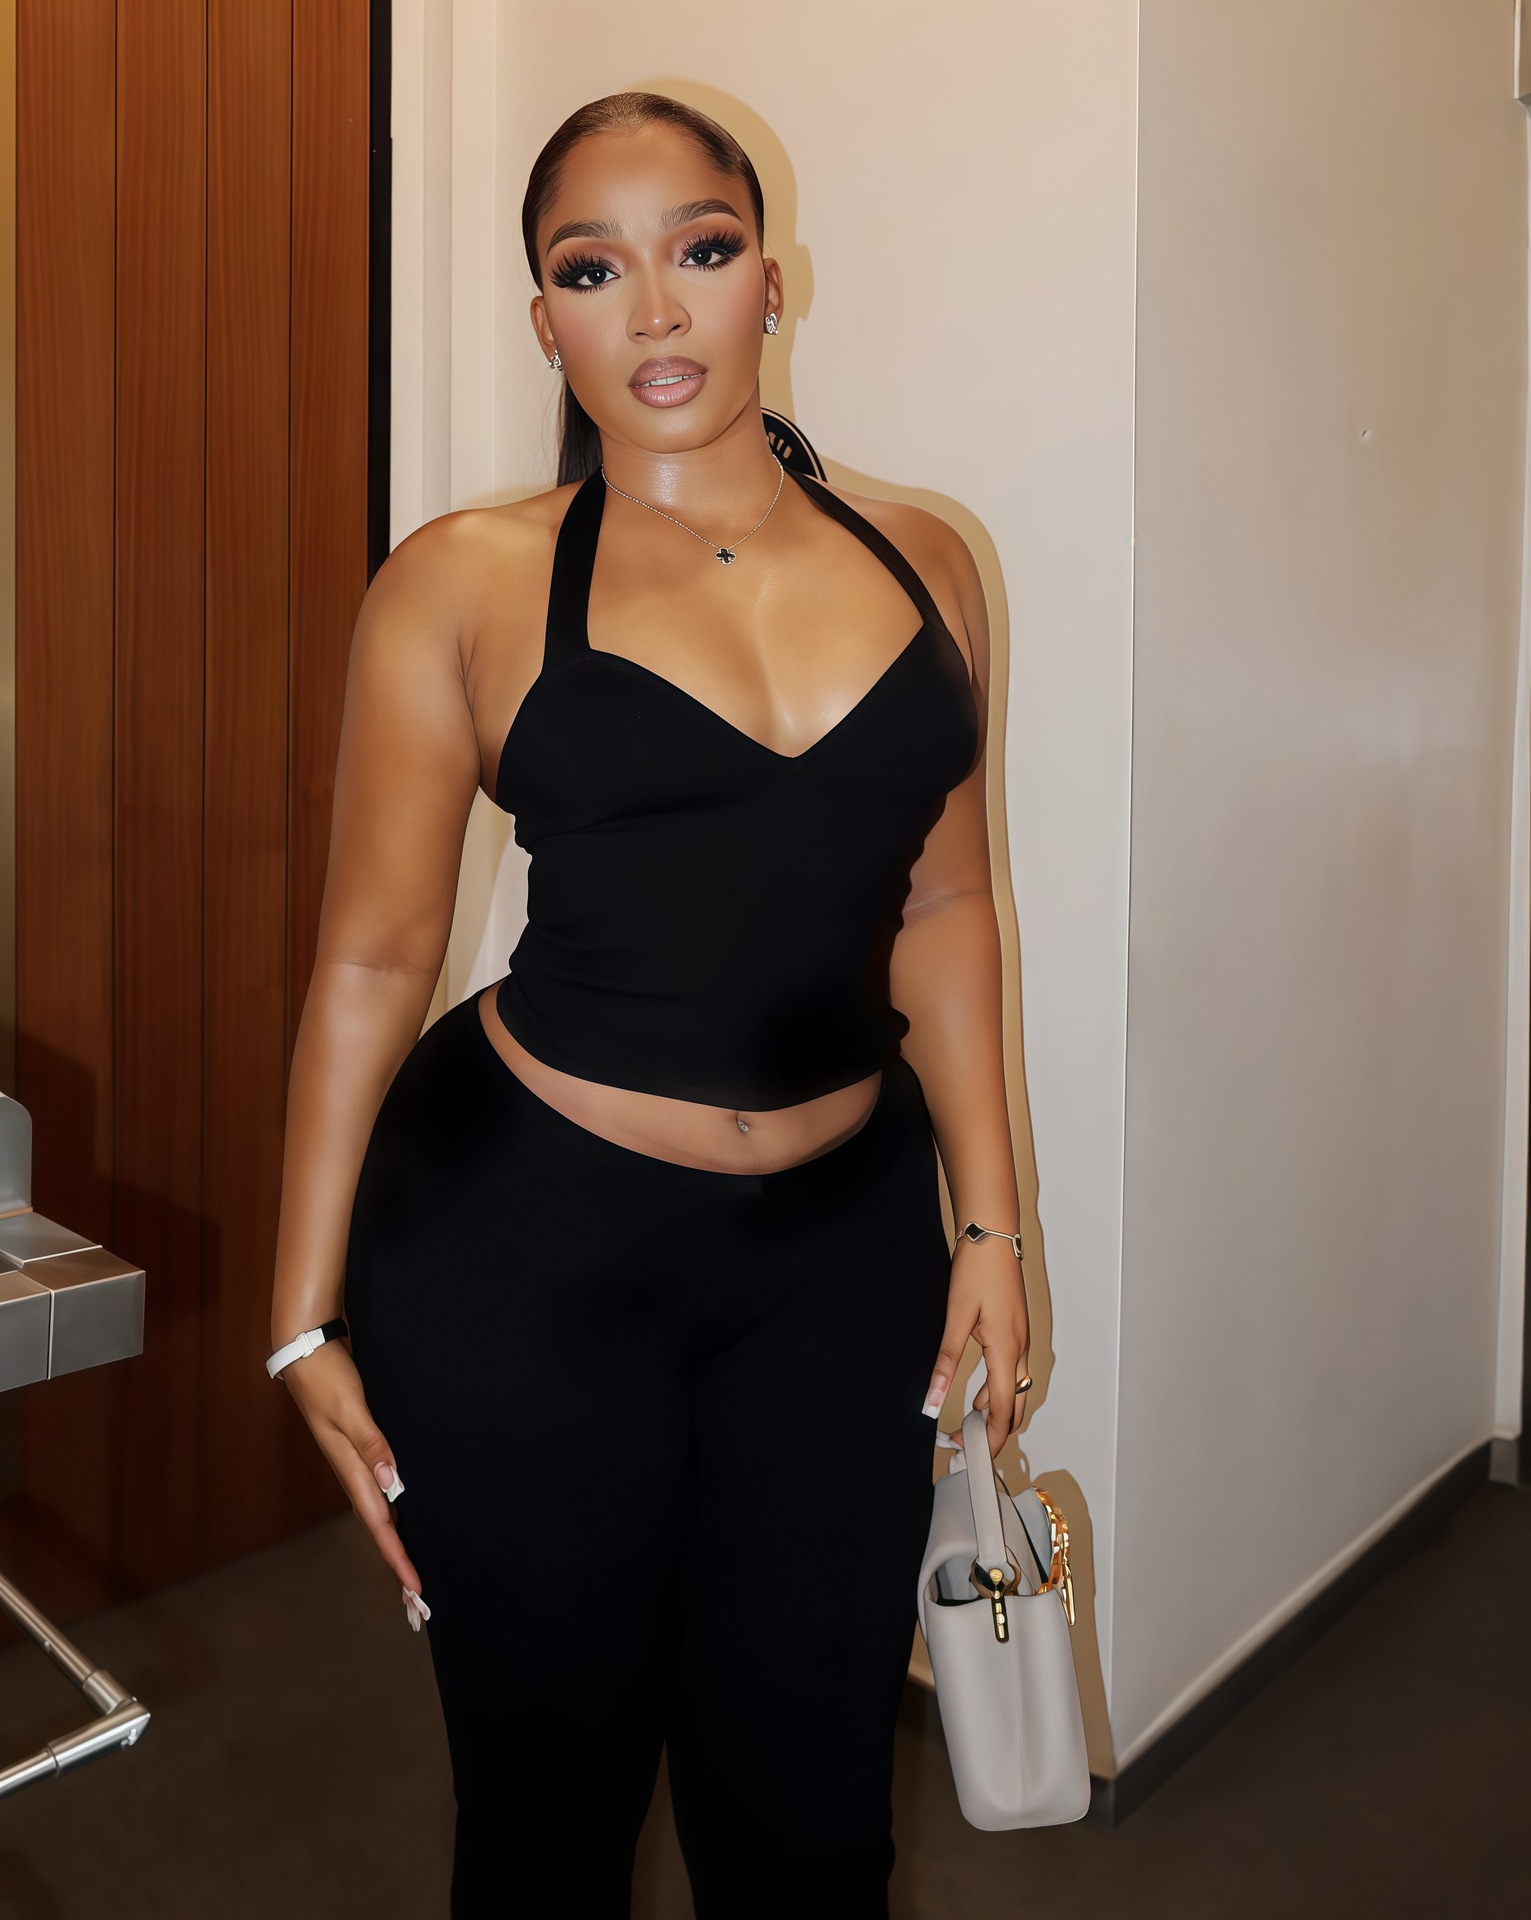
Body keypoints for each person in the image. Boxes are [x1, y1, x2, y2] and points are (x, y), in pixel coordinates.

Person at [266, 90, 1031, 1919]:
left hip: (843, 1258)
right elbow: (371, 960)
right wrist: (301, 1321)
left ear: (774, 275)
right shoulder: (461, 584)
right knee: (549, 1807)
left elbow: (946, 902)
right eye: (592, 269)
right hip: (529, 1253)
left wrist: (993, 1223)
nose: (658, 309)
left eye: (700, 249)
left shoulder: (927, 559)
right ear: (547, 322)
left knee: (817, 1812)